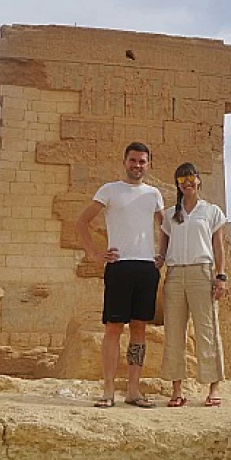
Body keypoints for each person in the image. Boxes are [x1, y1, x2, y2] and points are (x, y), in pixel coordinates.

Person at [75, 142, 164, 408]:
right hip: (120, 266)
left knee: (139, 330)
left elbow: (166, 227)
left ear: (148, 164)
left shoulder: (154, 194)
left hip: (146, 268)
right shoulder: (110, 190)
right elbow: (82, 222)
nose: (137, 165)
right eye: (133, 160)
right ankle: (108, 390)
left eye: (142, 161)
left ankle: (134, 390)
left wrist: (163, 254)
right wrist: (94, 253)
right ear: (125, 161)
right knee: (113, 329)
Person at [157, 162, 227, 407]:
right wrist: (159, 260)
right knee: (174, 332)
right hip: (175, 275)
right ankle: (177, 389)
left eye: (190, 178)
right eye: (181, 179)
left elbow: (217, 246)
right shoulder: (169, 214)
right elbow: (163, 246)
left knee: (207, 330)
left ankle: (213, 387)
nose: (187, 183)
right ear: (177, 183)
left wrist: (221, 276)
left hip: (201, 273)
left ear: (199, 180)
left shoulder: (211, 212)